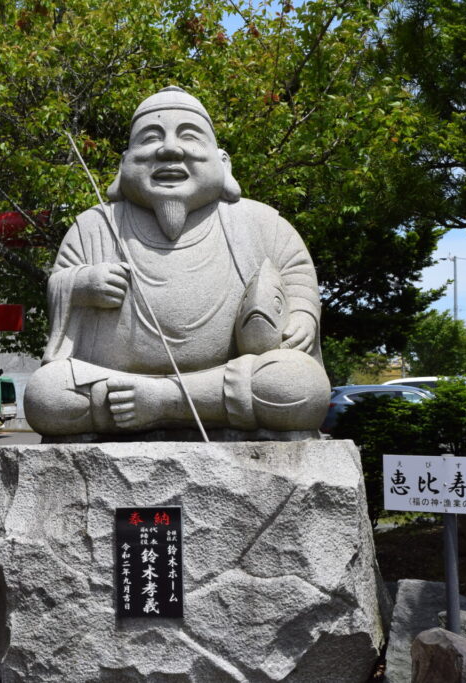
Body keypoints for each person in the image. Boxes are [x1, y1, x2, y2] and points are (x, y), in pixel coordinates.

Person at [25, 86, 329, 437]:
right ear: (125, 165)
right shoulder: (94, 226)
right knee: (47, 393)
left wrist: (304, 316)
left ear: (223, 163)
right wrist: (81, 284)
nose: (170, 148)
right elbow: (59, 282)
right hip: (119, 383)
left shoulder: (260, 222)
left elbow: (295, 274)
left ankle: (165, 401)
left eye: (189, 136)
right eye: (151, 138)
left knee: (299, 384)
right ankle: (179, 405)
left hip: (229, 377)